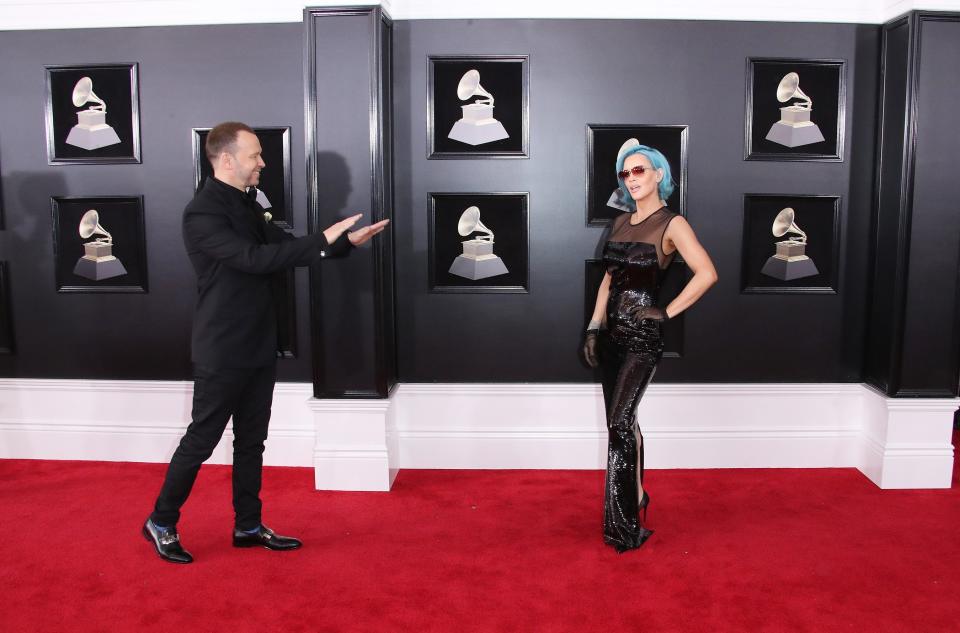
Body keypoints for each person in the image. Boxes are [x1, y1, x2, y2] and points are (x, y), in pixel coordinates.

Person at [143, 122, 388, 564]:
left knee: (252, 440)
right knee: (202, 439)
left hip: (258, 340)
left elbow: (286, 247)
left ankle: (248, 525)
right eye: (255, 155)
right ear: (227, 159)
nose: (263, 163)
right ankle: (161, 521)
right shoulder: (202, 213)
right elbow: (255, 260)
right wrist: (324, 239)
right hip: (223, 346)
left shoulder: (249, 204)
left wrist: (345, 243)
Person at [583, 142, 717, 553]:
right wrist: (593, 327)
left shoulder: (672, 223)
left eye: (639, 171)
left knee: (619, 423)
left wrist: (667, 311)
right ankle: (638, 493)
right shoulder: (620, 221)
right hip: (611, 338)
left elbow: (707, 273)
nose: (632, 179)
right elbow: (608, 279)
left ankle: (623, 524)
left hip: (642, 338)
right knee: (623, 421)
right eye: (626, 174)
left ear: (659, 174)